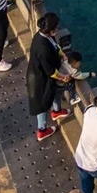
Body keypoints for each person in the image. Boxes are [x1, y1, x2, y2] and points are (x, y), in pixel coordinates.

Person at [26, 12, 70, 141]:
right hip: (40, 79)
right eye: (56, 27)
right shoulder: (43, 49)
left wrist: (61, 54)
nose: (57, 29)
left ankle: (56, 111)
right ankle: (42, 130)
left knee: (55, 91)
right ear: (50, 29)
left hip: (43, 74)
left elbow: (55, 46)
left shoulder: (42, 36)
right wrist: (63, 77)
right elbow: (51, 72)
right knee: (42, 103)